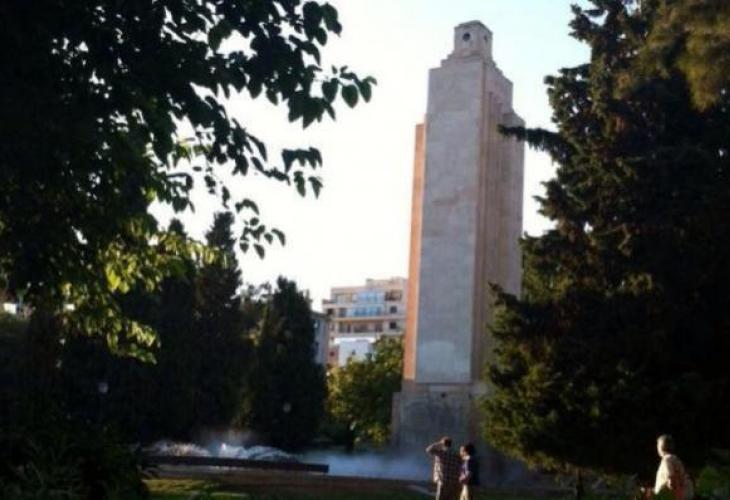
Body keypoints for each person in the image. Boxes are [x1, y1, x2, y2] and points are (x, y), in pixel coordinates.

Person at [652, 434, 694, 500]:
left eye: (657, 445)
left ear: (661, 446)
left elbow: (672, 480)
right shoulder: (675, 459)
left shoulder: (667, 460)